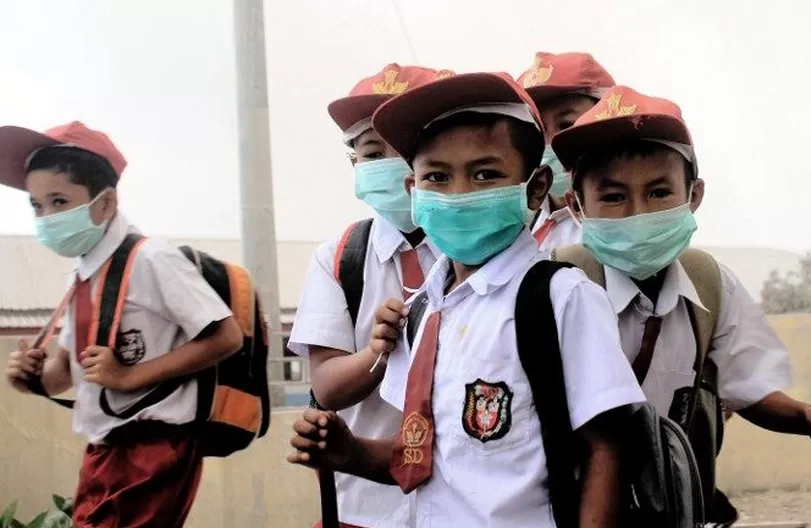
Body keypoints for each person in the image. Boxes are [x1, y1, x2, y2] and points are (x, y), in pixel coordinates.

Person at [287, 72, 645, 527]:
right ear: (414, 192)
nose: (458, 195)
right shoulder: (423, 310)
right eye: (437, 176)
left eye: (485, 174)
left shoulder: (561, 297)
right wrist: (351, 452)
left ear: (536, 188)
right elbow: (424, 456)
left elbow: (607, 446)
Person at [549, 85, 811, 523]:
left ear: (694, 195)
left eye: (660, 193)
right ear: (576, 206)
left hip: (666, 502)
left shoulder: (709, 284)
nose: (638, 213)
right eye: (613, 196)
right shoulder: (554, 283)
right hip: (566, 504)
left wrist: (808, 417)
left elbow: (749, 387)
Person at [1, 121, 243, 527]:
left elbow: (226, 336)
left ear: (106, 203)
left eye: (59, 201)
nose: (46, 217)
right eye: (37, 206)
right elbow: (67, 374)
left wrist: (132, 376)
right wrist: (32, 377)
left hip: (152, 448)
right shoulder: (82, 274)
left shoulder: (152, 259)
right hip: (105, 450)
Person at [288, 64, 450, 528]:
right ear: (354, 164)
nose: (389, 164)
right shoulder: (340, 258)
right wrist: (379, 353)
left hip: (469, 500)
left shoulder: (479, 252)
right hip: (367, 504)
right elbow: (327, 386)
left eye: (402, 149)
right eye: (372, 152)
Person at [517, 51, 615, 250]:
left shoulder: (617, 226)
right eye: (539, 130)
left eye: (567, 125)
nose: (551, 143)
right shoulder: (522, 217)